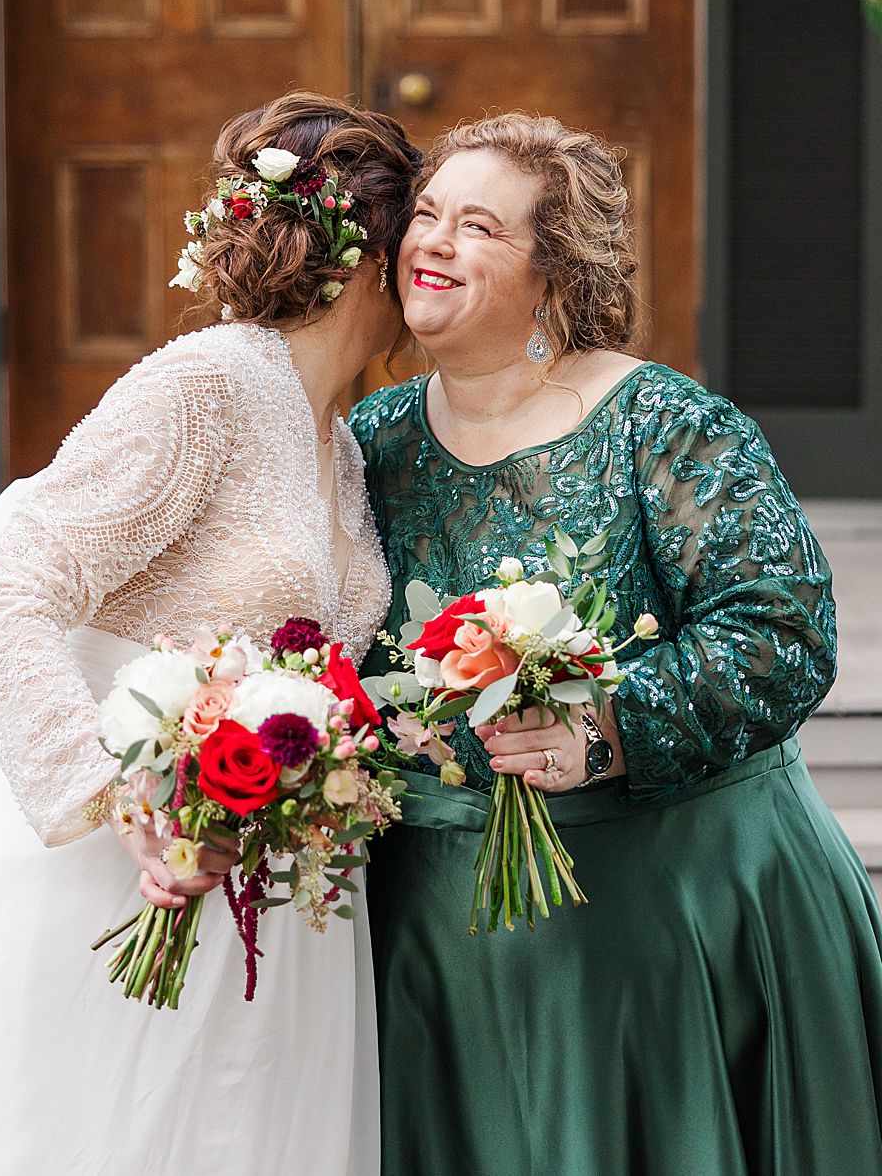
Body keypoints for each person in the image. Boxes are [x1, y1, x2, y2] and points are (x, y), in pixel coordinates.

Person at [351, 112, 882, 1176]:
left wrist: (603, 726)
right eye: (422, 216)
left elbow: (779, 634)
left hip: (674, 925)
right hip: (432, 953)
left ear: (551, 272)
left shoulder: (666, 425)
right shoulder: (371, 440)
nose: (431, 242)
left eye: (476, 227)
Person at [0, 92, 420, 1173]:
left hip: (277, 885)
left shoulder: (337, 444)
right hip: (119, 866)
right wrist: (117, 797)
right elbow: (5, 587)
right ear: (373, 254)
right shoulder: (208, 384)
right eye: (421, 237)